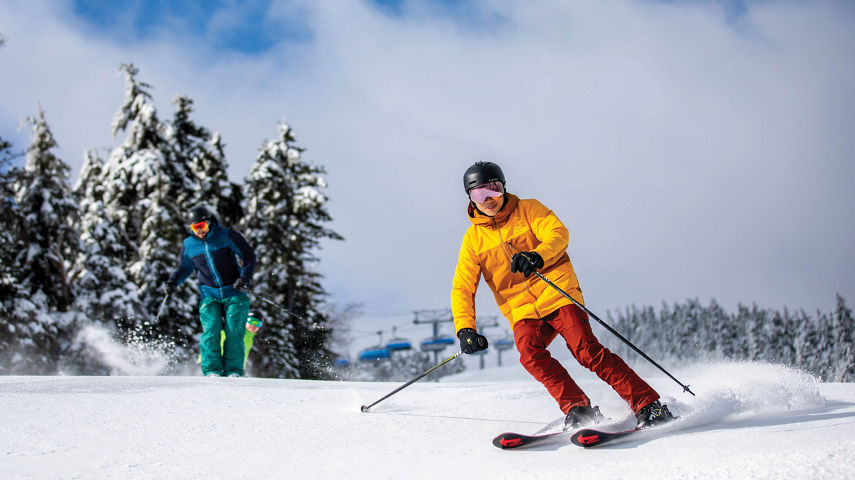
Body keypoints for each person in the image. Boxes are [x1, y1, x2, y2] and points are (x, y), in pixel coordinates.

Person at [450, 162, 674, 430]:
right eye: (479, 195)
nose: (488, 200)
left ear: (504, 188)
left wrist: (537, 256)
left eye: (494, 191)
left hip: (556, 291)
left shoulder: (529, 209)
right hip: (521, 308)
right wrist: (465, 329)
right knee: (530, 355)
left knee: (585, 350)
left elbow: (558, 234)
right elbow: (463, 287)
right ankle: (578, 409)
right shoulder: (473, 240)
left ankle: (649, 404)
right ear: (470, 199)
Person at [167, 205, 256, 378]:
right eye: (195, 227)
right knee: (211, 330)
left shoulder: (227, 236)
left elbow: (249, 256)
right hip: (209, 294)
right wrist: (173, 282)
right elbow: (184, 268)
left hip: (234, 293)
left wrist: (244, 278)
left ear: (209, 223)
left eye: (202, 226)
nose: (200, 231)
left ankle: (233, 371)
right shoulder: (189, 245)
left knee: (234, 331)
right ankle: (212, 370)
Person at [196, 310, 264, 371]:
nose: (253, 325)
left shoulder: (249, 338)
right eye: (251, 321)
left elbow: (243, 356)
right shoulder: (236, 331)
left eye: (257, 323)